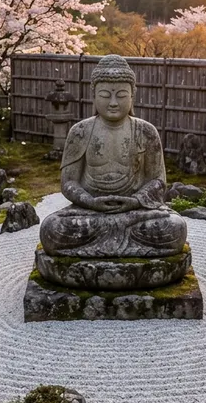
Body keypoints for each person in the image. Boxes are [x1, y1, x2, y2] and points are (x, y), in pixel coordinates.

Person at [39, 54, 187, 259]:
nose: (114, 102)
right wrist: (90, 202)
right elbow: (68, 182)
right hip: (90, 212)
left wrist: (134, 201)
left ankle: (94, 252)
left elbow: (158, 182)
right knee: (53, 229)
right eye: (105, 95)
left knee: (174, 228)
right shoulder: (80, 131)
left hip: (135, 213)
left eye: (121, 95)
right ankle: (133, 252)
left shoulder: (146, 132)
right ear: (94, 94)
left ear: (132, 95)